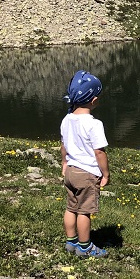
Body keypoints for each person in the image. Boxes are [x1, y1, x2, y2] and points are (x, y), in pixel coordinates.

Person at [61, 70, 110, 257]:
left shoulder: (67, 119)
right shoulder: (94, 124)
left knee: (71, 207)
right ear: (94, 99)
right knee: (84, 212)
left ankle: (71, 241)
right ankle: (85, 247)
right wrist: (105, 174)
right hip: (86, 174)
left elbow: (63, 145)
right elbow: (99, 152)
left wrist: (64, 163)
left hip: (71, 172)